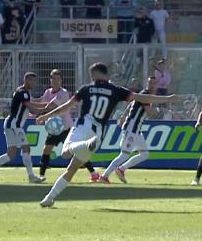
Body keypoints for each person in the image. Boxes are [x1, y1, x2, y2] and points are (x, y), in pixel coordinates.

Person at [36, 62, 176, 207]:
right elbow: (142, 98)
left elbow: (66, 106)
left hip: (83, 126)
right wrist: (167, 99)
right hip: (97, 132)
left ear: (96, 74)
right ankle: (49, 198)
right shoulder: (115, 90)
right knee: (72, 169)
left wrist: (46, 116)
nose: (91, 77)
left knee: (65, 153)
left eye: (91, 75)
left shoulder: (87, 89)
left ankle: (83, 147)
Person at [36, 69, 101, 182]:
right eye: (53, 79)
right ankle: (41, 175)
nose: (56, 81)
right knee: (46, 149)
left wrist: (34, 109)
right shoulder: (47, 92)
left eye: (58, 79)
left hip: (66, 128)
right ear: (50, 80)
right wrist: (29, 103)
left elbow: (50, 106)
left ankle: (94, 173)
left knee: (77, 152)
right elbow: (43, 103)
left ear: (61, 80)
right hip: (55, 129)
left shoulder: (64, 93)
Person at [0, 72, 47, 183]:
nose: (34, 83)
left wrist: (48, 105)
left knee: (10, 155)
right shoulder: (23, 93)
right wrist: (48, 109)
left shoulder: (23, 92)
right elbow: (32, 109)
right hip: (14, 125)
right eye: (32, 81)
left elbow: (32, 104)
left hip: (11, 125)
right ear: (26, 80)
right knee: (26, 148)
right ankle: (31, 176)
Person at [100, 76, 157, 183]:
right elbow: (149, 111)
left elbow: (131, 103)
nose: (152, 85)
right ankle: (104, 176)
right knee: (124, 154)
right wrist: (159, 110)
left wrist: (123, 116)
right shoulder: (145, 95)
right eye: (150, 83)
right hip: (132, 128)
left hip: (137, 130)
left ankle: (121, 169)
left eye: (154, 83)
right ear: (147, 84)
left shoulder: (145, 95)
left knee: (145, 154)